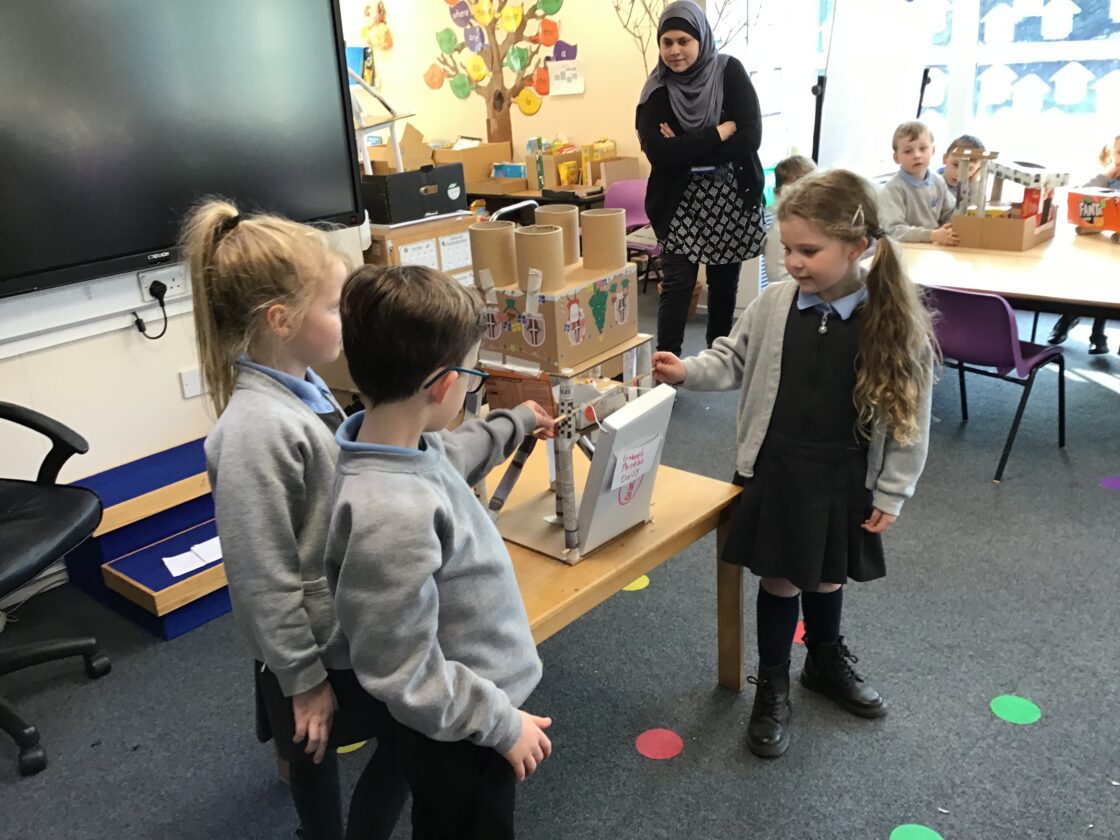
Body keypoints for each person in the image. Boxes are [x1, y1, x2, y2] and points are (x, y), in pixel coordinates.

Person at [652, 170, 935, 758]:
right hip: (777, 468)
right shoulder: (774, 302)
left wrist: (893, 490)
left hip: (843, 473)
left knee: (828, 575)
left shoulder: (890, 317)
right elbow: (732, 359)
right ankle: (774, 683)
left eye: (809, 250)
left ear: (858, 247)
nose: (793, 262)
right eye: (786, 249)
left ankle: (824, 661)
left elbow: (909, 415)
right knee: (779, 579)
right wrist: (687, 371)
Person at [187, 199, 407, 840]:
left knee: (318, 746)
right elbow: (261, 577)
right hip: (313, 645)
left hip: (335, 623)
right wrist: (305, 680)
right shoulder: (255, 431)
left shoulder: (305, 388)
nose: (347, 319)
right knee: (356, 735)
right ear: (281, 320)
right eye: (335, 307)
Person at [325, 265, 556, 839]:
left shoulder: (402, 445)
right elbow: (404, 670)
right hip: (461, 730)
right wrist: (501, 724)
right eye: (474, 375)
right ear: (443, 385)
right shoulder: (390, 512)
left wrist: (519, 419)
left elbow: (457, 450)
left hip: (467, 714)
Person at [635, 0, 766, 356]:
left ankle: (717, 360)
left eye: (684, 41)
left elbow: (750, 137)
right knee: (677, 286)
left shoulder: (729, 72)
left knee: (723, 287)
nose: (675, 50)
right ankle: (667, 365)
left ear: (701, 40)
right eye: (667, 42)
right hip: (678, 204)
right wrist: (717, 134)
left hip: (731, 200)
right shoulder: (656, 89)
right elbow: (660, 154)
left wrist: (684, 147)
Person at [1048, 133, 1120, 355]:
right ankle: (1069, 315)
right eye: (1119, 153)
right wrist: (1105, 175)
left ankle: (1098, 332)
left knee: (1110, 282)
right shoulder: (1107, 177)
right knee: (1088, 272)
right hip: (1098, 243)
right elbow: (1079, 197)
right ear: (1111, 154)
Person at [880, 120, 958, 246]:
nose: (917, 155)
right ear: (896, 158)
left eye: (923, 149)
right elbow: (893, 230)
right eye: (908, 151)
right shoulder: (893, 189)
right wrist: (932, 235)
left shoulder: (938, 181)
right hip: (905, 249)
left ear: (933, 150)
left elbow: (951, 215)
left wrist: (946, 232)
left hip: (935, 246)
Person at [762, 155, 817, 286]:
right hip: (788, 288)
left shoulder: (804, 222)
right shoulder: (782, 228)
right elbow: (778, 277)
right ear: (779, 192)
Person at [939, 133, 986, 207]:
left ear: (977, 170)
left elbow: (975, 210)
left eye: (969, 169)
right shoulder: (933, 183)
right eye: (956, 165)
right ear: (945, 158)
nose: (959, 173)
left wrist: (973, 182)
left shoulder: (972, 188)